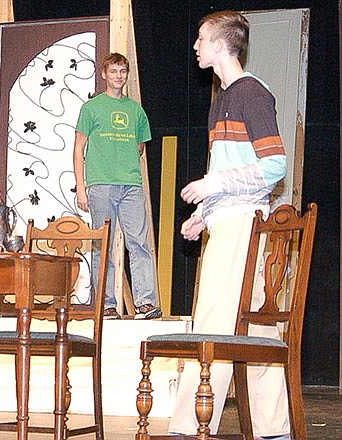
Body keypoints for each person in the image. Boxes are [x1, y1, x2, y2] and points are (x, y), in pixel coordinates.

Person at [169, 11, 290, 439]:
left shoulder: (250, 93)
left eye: (202, 39)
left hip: (243, 223)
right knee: (255, 324)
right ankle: (274, 426)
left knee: (213, 320)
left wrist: (214, 184)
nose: (196, 46)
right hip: (231, 219)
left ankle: (188, 425)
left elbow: (275, 164)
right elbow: (231, 167)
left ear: (221, 45)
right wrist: (203, 215)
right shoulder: (220, 99)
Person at [73, 52, 162, 320]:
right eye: (113, 71)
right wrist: (81, 187)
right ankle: (107, 304)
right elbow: (79, 148)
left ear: (127, 75)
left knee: (139, 243)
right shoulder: (91, 108)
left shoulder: (136, 110)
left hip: (131, 185)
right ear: (104, 75)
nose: (118, 76)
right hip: (101, 186)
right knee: (104, 245)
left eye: (122, 71)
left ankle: (145, 302)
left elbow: (140, 146)